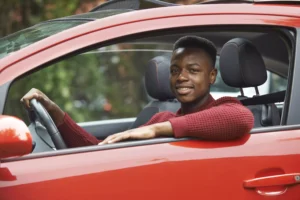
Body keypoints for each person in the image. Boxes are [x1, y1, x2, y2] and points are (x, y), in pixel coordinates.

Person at [21, 36, 254, 148]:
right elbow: (100, 150)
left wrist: (155, 131)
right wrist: (54, 110)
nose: (181, 77)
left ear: (212, 76)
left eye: (193, 70)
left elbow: (241, 119)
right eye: (175, 70)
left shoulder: (225, 108)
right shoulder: (162, 117)